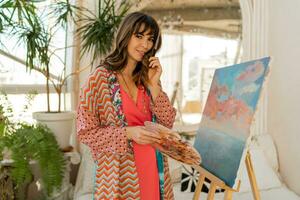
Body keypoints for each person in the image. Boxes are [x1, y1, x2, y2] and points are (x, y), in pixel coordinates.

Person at [77, 12, 176, 200]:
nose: (145, 45)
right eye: (139, 36)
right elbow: (85, 132)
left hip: (154, 168)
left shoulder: (148, 77)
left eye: (150, 39)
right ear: (125, 35)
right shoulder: (99, 79)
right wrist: (128, 133)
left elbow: (168, 122)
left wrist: (154, 85)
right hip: (119, 176)